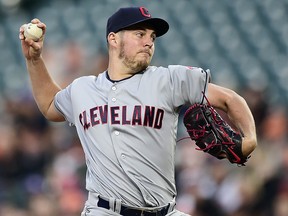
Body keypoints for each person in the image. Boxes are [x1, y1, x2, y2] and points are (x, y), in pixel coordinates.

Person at [19, 6, 257, 216]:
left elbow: (230, 99)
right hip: (104, 210)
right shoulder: (83, 88)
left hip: (164, 210)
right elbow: (51, 105)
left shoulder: (169, 80)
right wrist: (34, 60)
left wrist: (250, 139)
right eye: (139, 34)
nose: (149, 42)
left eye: (152, 37)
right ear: (113, 39)